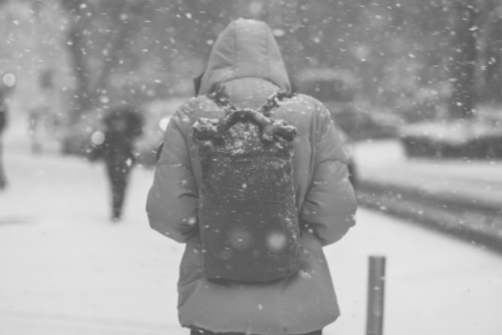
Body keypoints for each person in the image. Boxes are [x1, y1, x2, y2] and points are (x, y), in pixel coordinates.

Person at [146, 19, 357, 335]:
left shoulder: (191, 116)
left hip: (213, 307)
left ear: (215, 64)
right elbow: (336, 212)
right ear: (275, 62)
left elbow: (167, 213)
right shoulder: (312, 114)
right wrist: (294, 235)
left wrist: (213, 230)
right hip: (298, 308)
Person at [90, 107, 143, 221]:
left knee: (121, 186)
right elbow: (102, 147)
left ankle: (117, 210)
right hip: (114, 163)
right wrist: (94, 156)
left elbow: (132, 148)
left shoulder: (127, 134)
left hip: (122, 163)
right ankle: (116, 210)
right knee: (115, 186)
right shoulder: (112, 133)